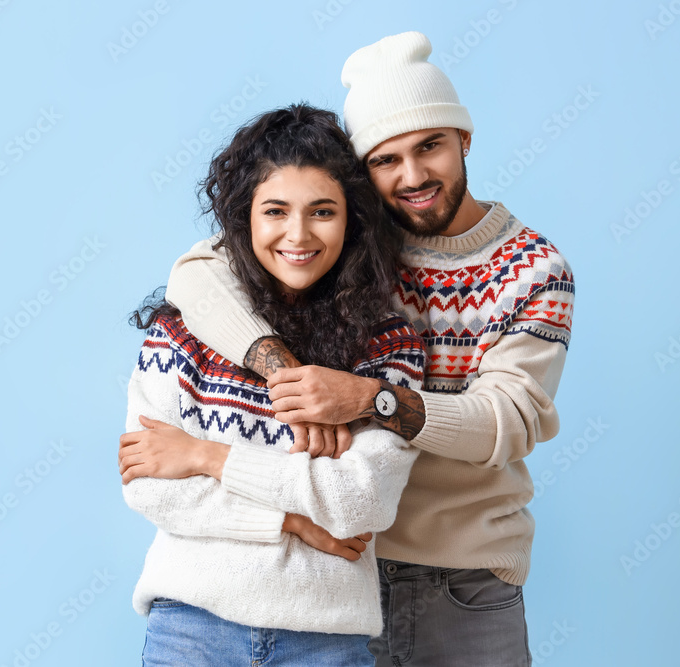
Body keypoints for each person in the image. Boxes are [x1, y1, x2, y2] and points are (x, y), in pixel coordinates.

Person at [163, 32, 576, 666]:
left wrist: (367, 399)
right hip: (337, 565)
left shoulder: (535, 270)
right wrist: (288, 373)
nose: (413, 176)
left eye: (430, 146)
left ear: (464, 139)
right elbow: (197, 273)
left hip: (461, 574)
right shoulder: (350, 240)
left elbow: (507, 422)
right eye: (386, 160)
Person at [119, 103, 427, 666]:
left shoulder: (387, 346)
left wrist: (208, 456)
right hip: (192, 628)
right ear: (245, 218)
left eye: (323, 212)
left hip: (325, 641)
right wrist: (292, 521)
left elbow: (360, 501)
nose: (298, 234)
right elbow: (152, 487)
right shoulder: (183, 329)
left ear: (352, 220)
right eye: (276, 210)